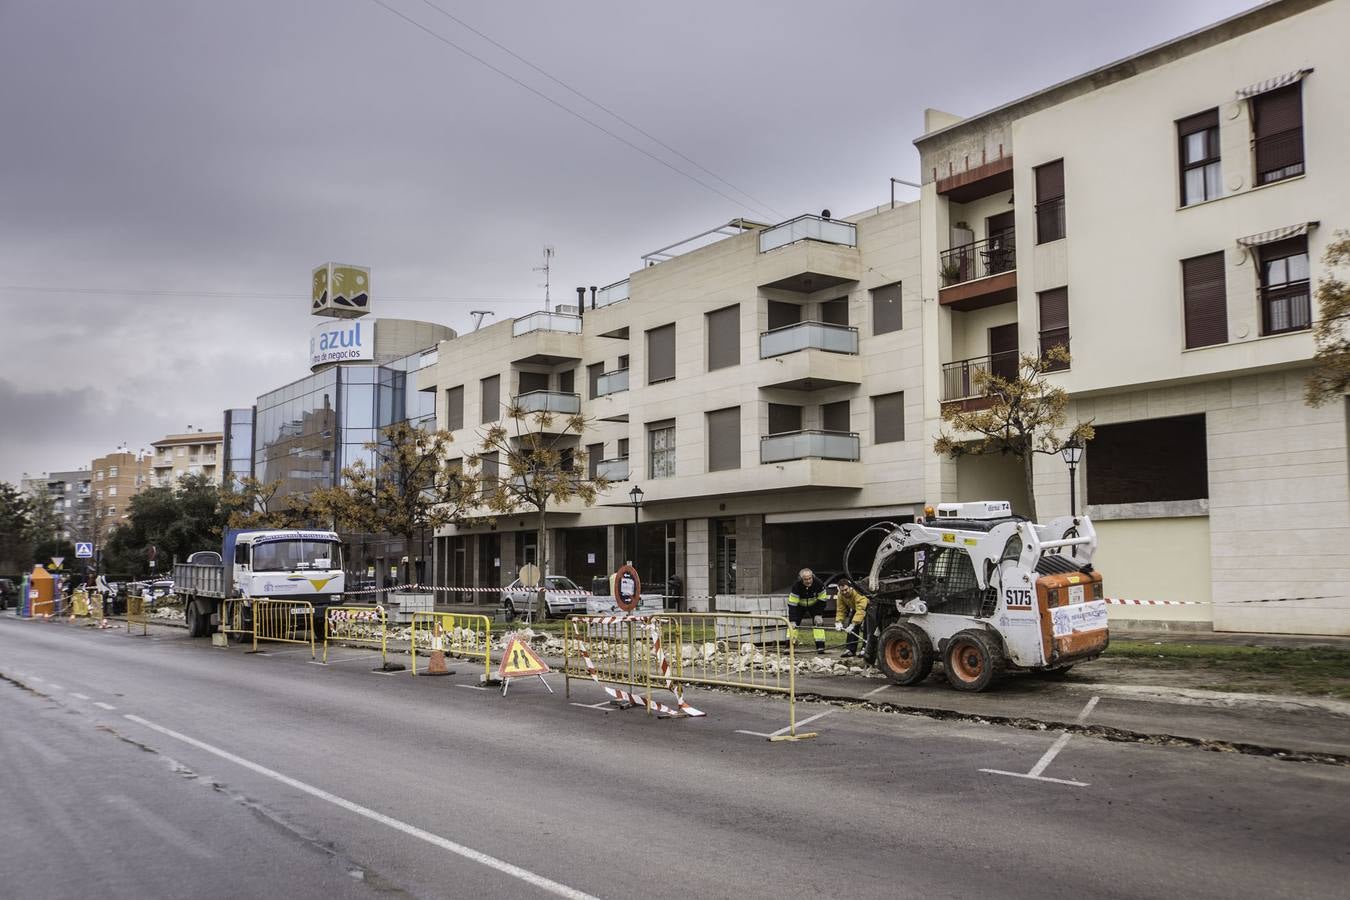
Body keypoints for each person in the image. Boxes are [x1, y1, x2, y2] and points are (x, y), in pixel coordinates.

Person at [787, 568, 828, 654]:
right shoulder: (796, 586)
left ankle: (820, 647)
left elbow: (822, 600)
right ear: (801, 579)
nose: (808, 581)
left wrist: (819, 614)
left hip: (815, 605)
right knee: (793, 626)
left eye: (810, 578)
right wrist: (792, 620)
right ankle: (789, 646)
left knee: (818, 624)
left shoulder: (819, 584)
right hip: (799, 605)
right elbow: (792, 604)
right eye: (806, 579)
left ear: (812, 576)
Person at [833, 577, 869, 657]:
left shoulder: (857, 592)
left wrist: (854, 623)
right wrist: (838, 621)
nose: (844, 592)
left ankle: (866, 648)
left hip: (868, 607)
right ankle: (850, 650)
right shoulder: (840, 595)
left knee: (868, 627)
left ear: (850, 588)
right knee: (851, 628)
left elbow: (861, 609)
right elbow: (841, 609)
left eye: (846, 589)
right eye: (842, 590)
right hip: (855, 608)